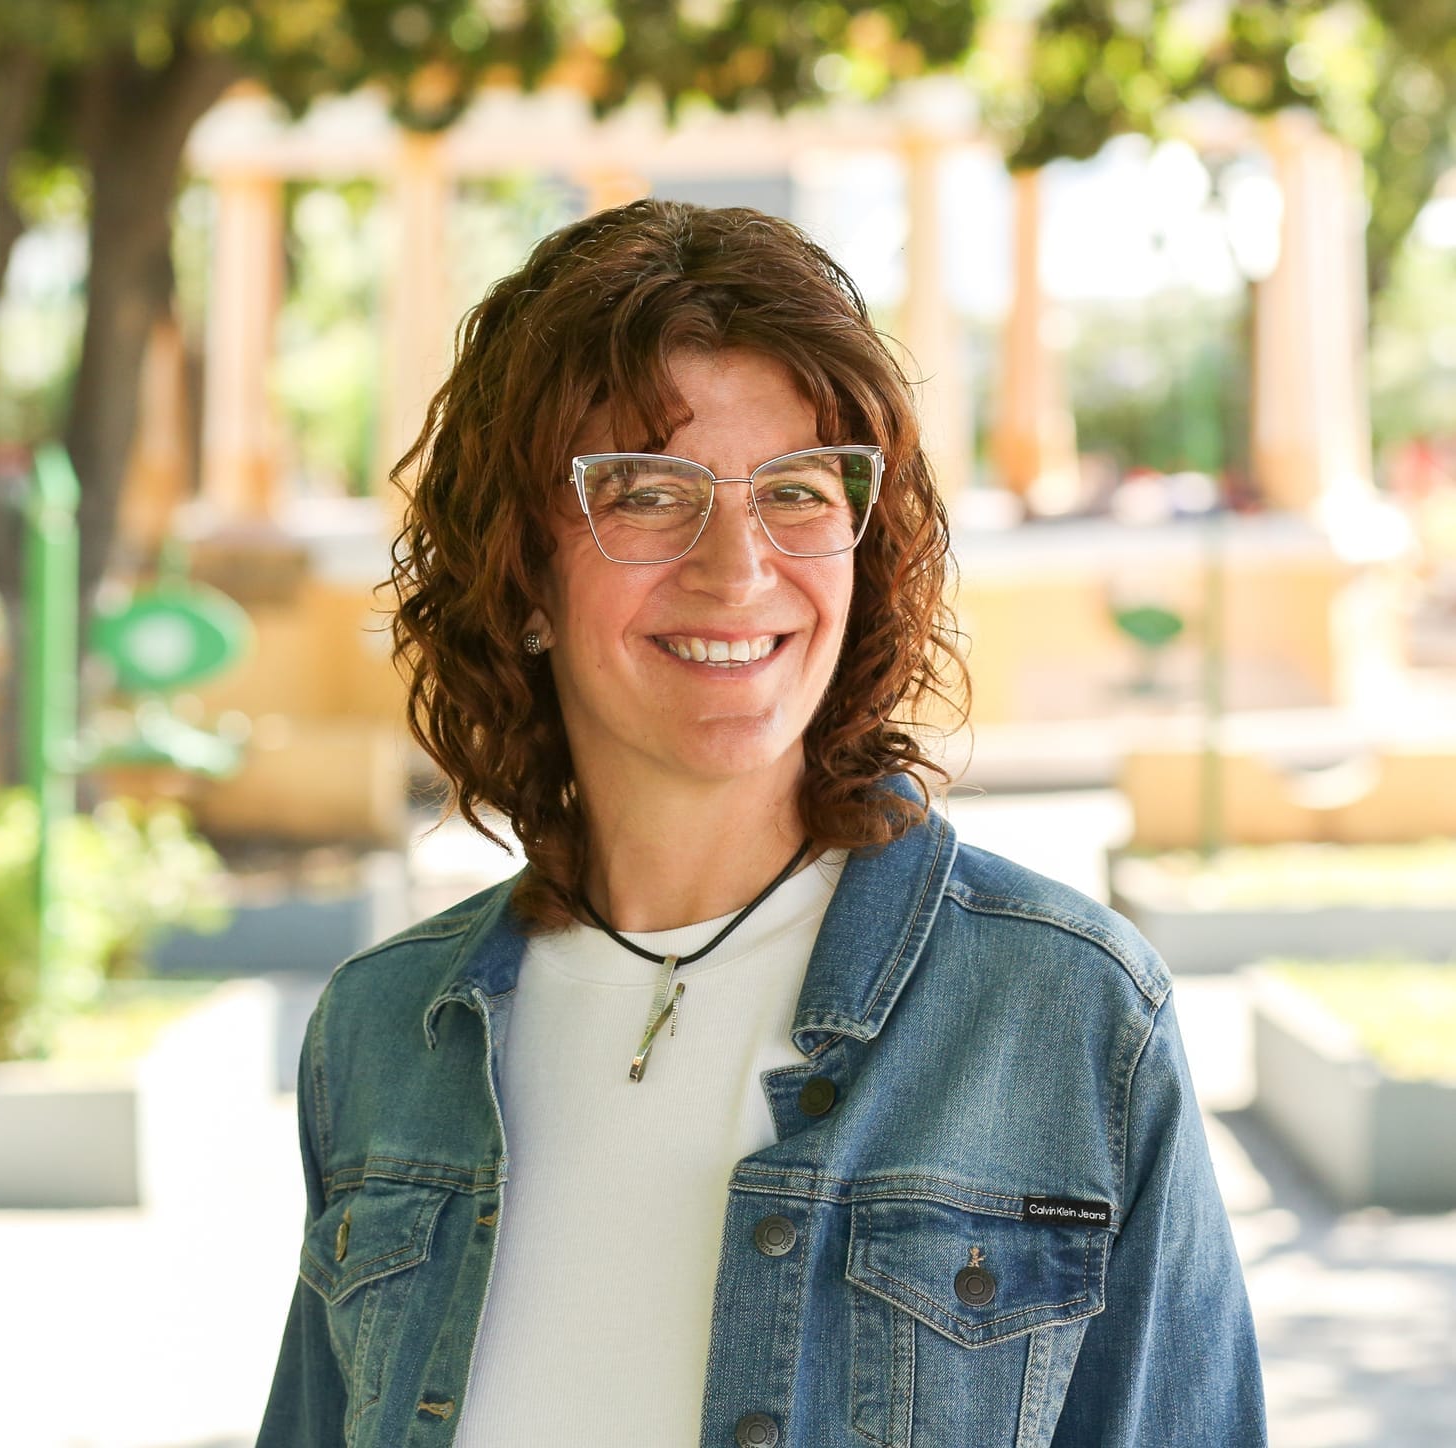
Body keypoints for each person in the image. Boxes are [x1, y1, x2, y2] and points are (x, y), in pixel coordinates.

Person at [257, 199, 1265, 1447]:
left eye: (796, 490)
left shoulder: (1066, 1018)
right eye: (644, 492)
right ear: (520, 577)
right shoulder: (381, 1037)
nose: (737, 570)